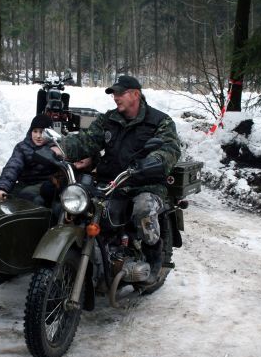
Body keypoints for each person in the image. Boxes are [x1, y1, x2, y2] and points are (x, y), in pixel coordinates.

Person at [56, 75, 181, 285]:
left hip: (144, 184)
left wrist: (152, 162)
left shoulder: (160, 121)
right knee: (75, 201)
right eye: (114, 93)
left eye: (120, 93)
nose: (115, 97)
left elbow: (169, 149)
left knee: (143, 208)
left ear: (136, 94)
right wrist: (61, 148)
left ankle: (153, 256)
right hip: (110, 181)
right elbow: (87, 140)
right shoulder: (109, 119)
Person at [0, 114, 58, 206]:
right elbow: (12, 167)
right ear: (31, 131)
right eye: (35, 131)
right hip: (25, 185)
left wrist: (59, 154)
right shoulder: (22, 147)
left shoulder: (57, 147)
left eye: (42, 132)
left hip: (50, 186)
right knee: (7, 201)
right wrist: (2, 187)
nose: (38, 136)